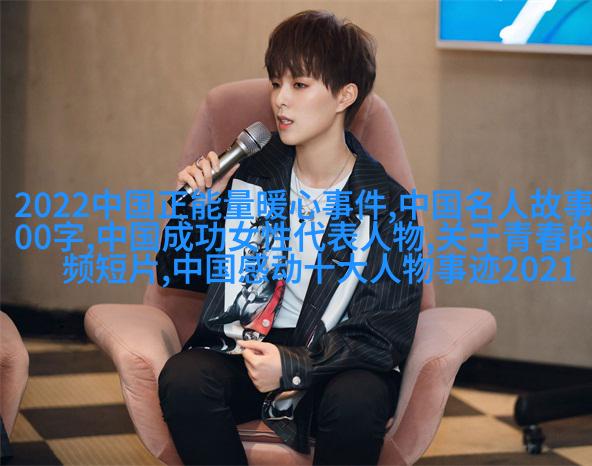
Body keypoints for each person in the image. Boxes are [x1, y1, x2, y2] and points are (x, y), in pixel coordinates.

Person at [156, 9, 423, 466]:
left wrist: (295, 364)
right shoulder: (253, 175)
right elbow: (183, 274)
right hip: (248, 346)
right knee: (186, 378)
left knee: (359, 399)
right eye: (276, 83)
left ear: (344, 96)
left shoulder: (387, 202)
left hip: (335, 359)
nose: (281, 100)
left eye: (299, 85)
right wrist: (199, 210)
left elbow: (383, 335)